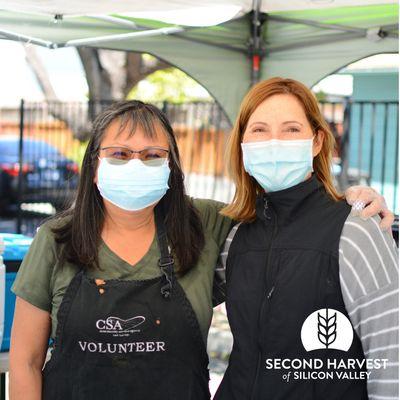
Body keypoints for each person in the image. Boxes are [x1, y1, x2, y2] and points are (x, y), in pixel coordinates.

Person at [8, 100, 392, 400]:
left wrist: (350, 199)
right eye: (120, 154)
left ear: (171, 166)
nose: (136, 164)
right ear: (94, 166)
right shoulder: (56, 239)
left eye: (153, 155)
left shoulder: (206, 224)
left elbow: (288, 218)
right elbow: (25, 361)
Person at [214, 77, 399, 400]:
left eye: (291, 129)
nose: (274, 142)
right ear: (242, 143)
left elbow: (391, 355)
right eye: (259, 130)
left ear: (316, 142)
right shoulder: (236, 238)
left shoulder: (355, 229)